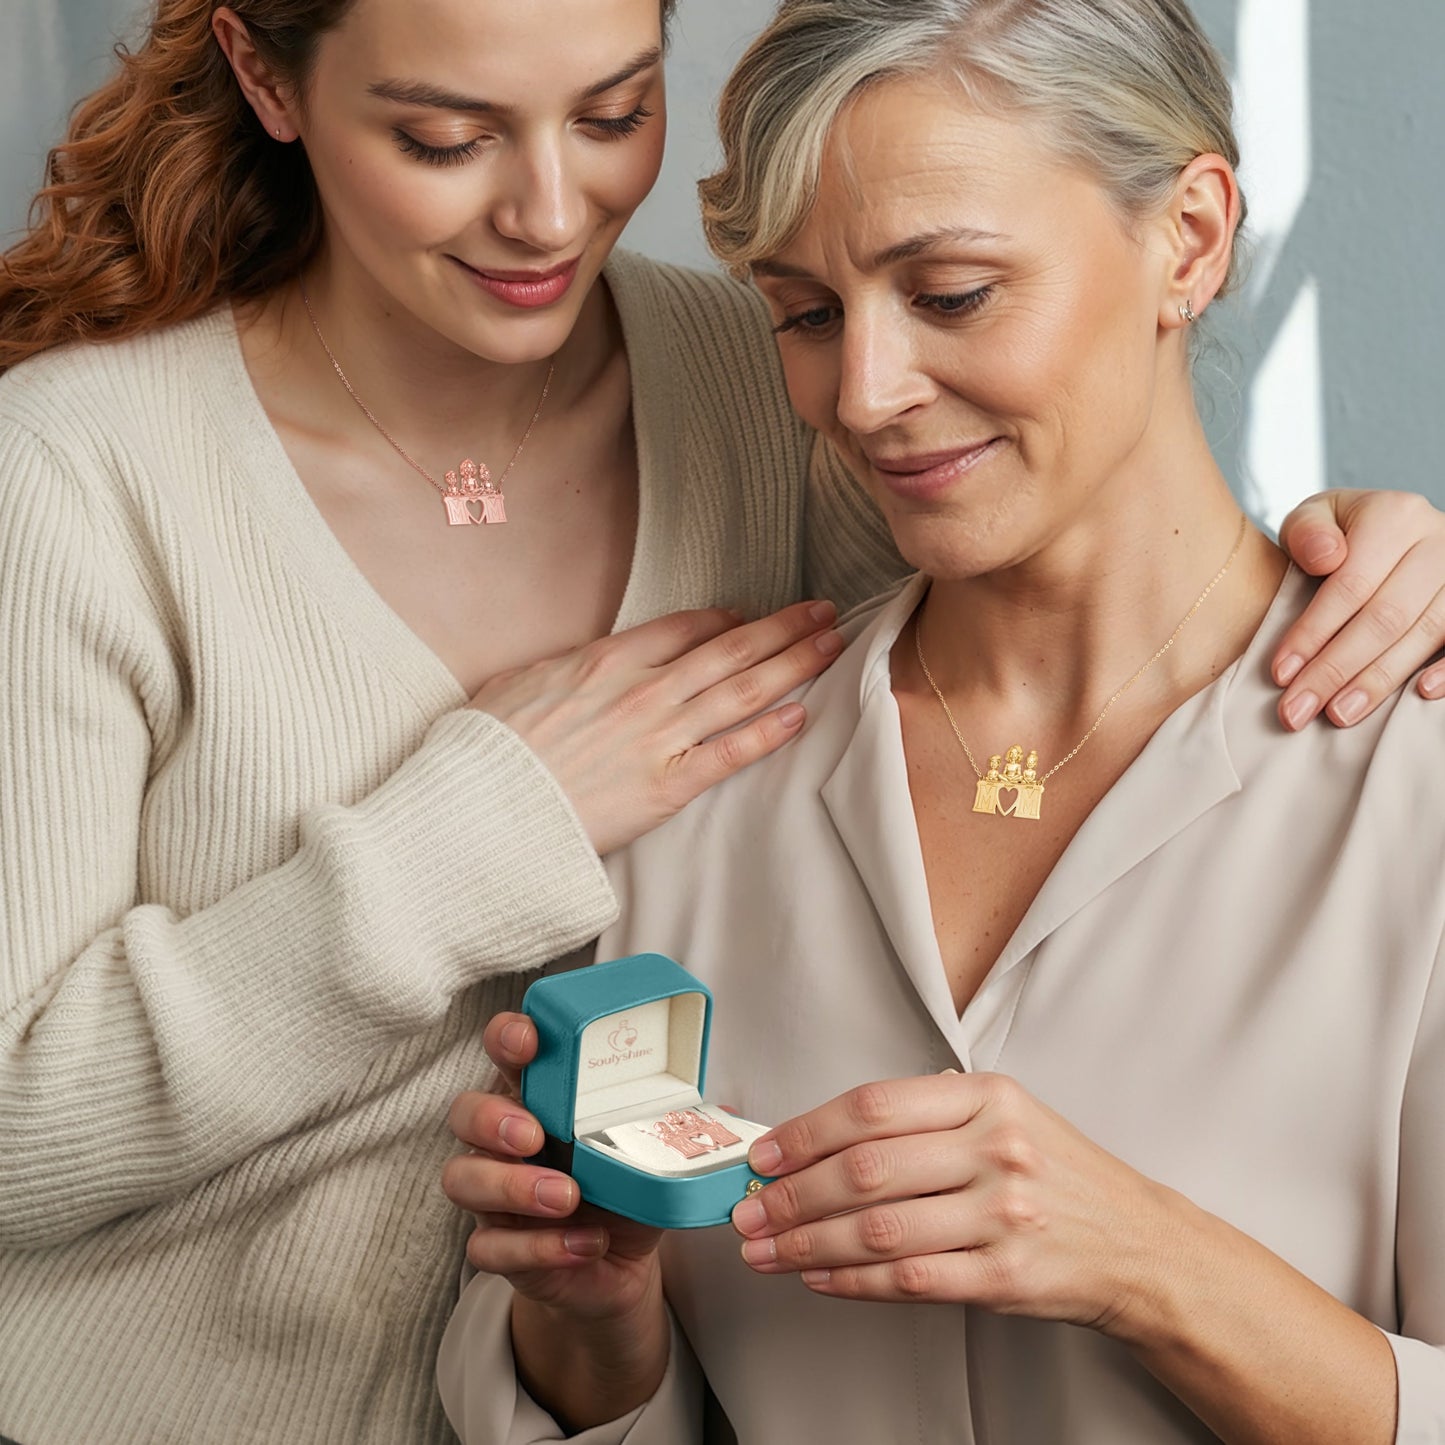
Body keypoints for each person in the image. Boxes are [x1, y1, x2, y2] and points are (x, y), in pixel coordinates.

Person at [439, 2, 1445, 1442]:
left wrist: (1145, 1264)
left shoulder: (1412, 777)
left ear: (1192, 237)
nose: (862, 394)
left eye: (954, 291)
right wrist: (593, 1323)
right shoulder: (703, 788)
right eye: (801, 312)